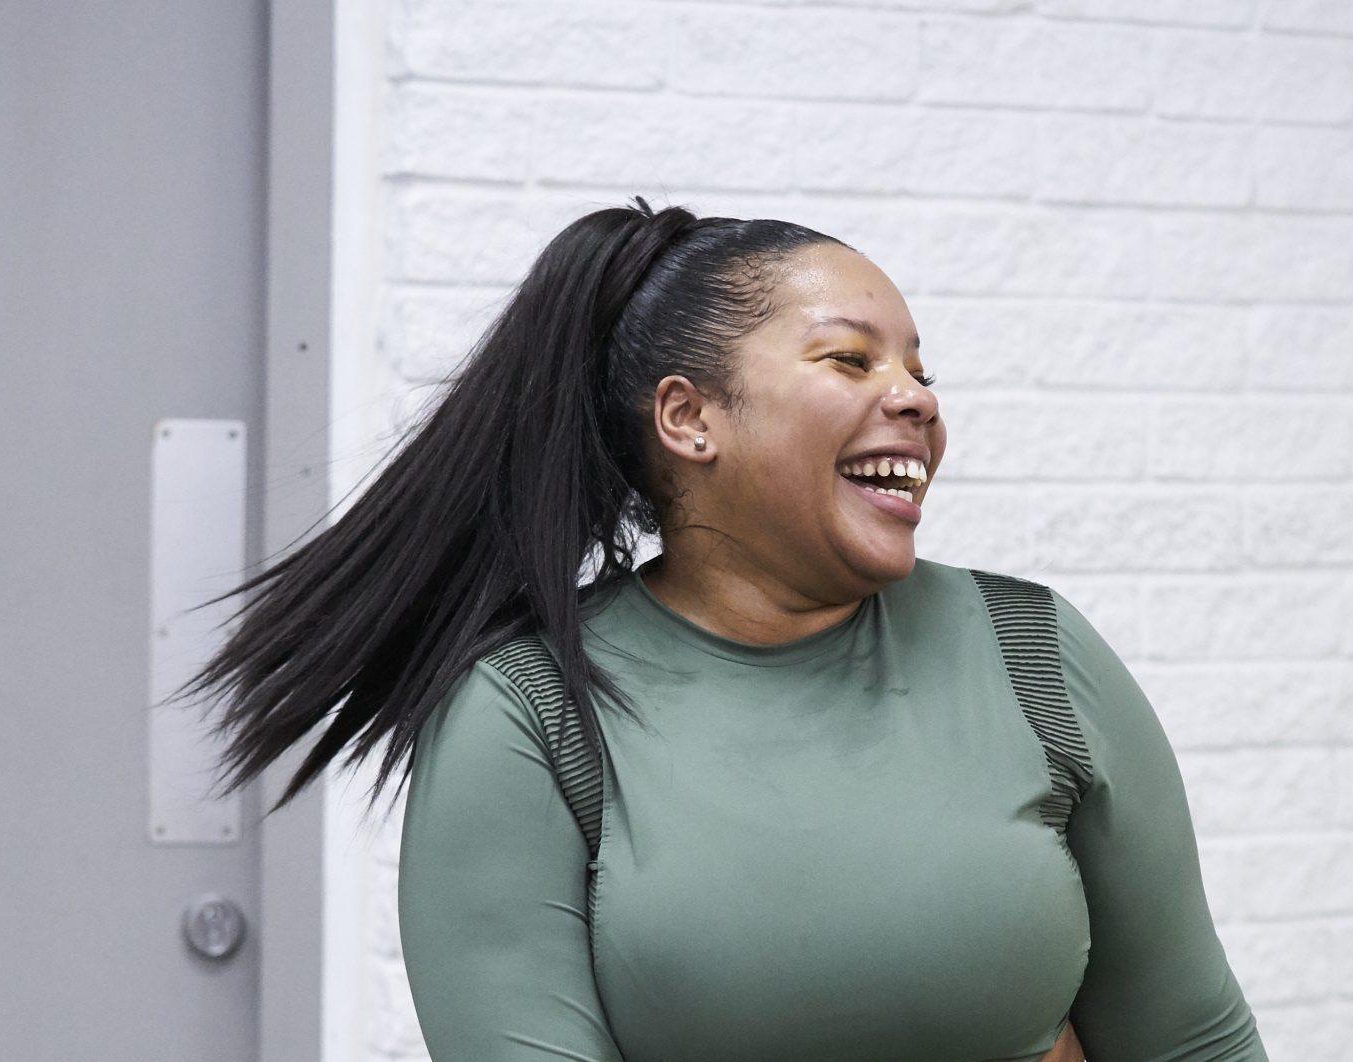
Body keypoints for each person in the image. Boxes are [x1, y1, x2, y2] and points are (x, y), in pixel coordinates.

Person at [177, 197, 1267, 1060]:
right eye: (851, 360)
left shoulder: (1032, 652)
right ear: (689, 417)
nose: (916, 398)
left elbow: (1195, 1037)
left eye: (919, 369)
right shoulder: (530, 715)